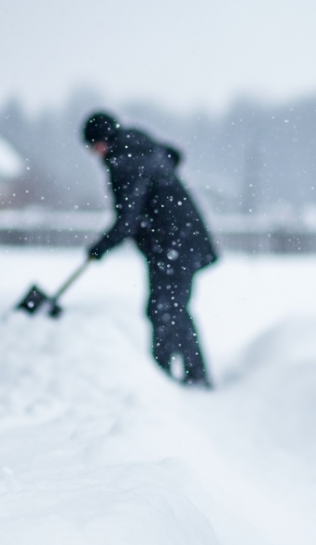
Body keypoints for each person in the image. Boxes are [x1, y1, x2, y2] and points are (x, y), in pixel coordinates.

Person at [81, 112, 218, 388]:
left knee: (167, 309)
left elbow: (128, 218)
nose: (94, 154)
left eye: (92, 146)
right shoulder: (138, 150)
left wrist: (101, 246)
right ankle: (177, 373)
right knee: (166, 308)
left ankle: (176, 377)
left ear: (102, 141)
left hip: (173, 243)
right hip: (175, 242)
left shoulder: (126, 161)